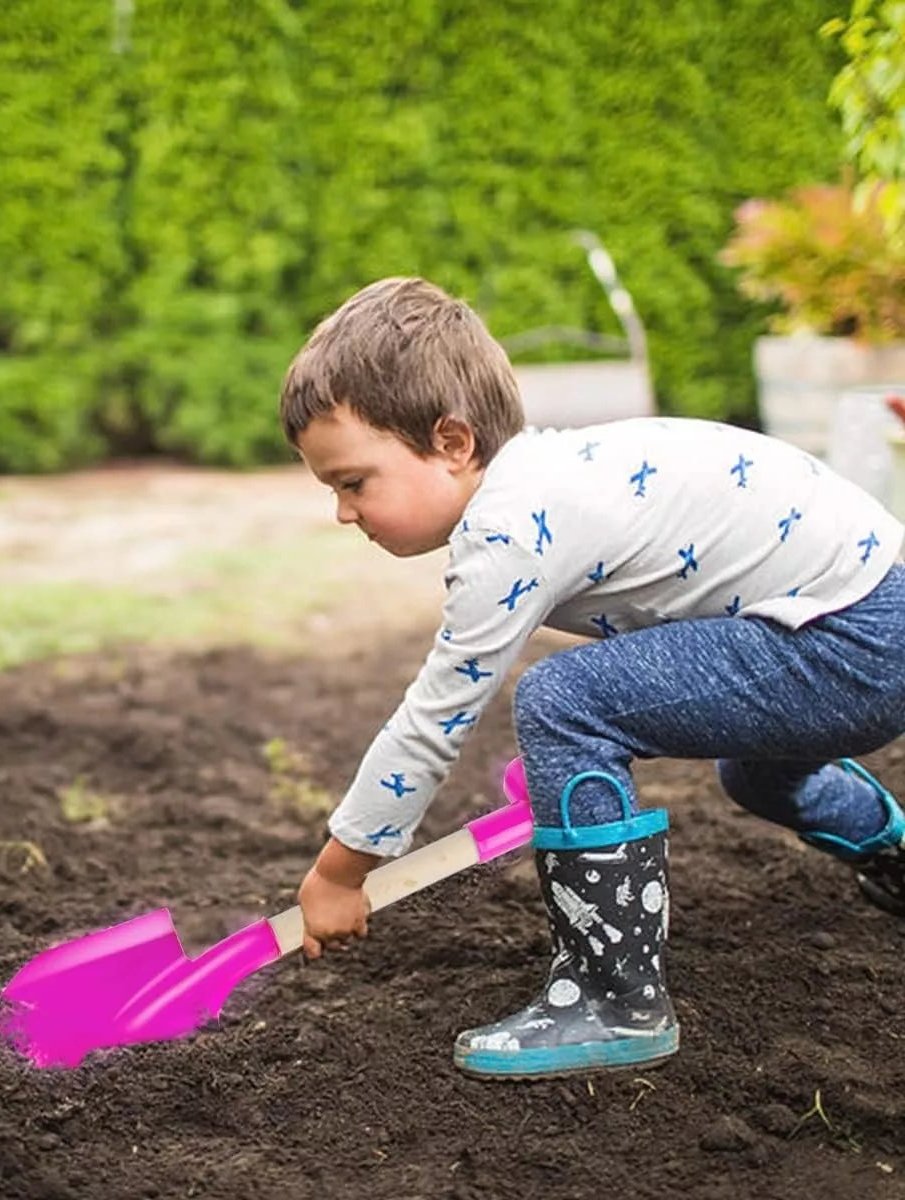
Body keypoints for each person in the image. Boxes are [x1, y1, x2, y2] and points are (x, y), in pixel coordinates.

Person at [278, 275, 905, 1080]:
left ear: (453, 442)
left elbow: (436, 716)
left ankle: (614, 999)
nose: (342, 512)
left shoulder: (508, 528)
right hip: (866, 617)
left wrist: (342, 869)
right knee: (756, 774)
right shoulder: (553, 474)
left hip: (848, 642)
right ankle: (893, 853)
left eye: (353, 482)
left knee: (563, 700)